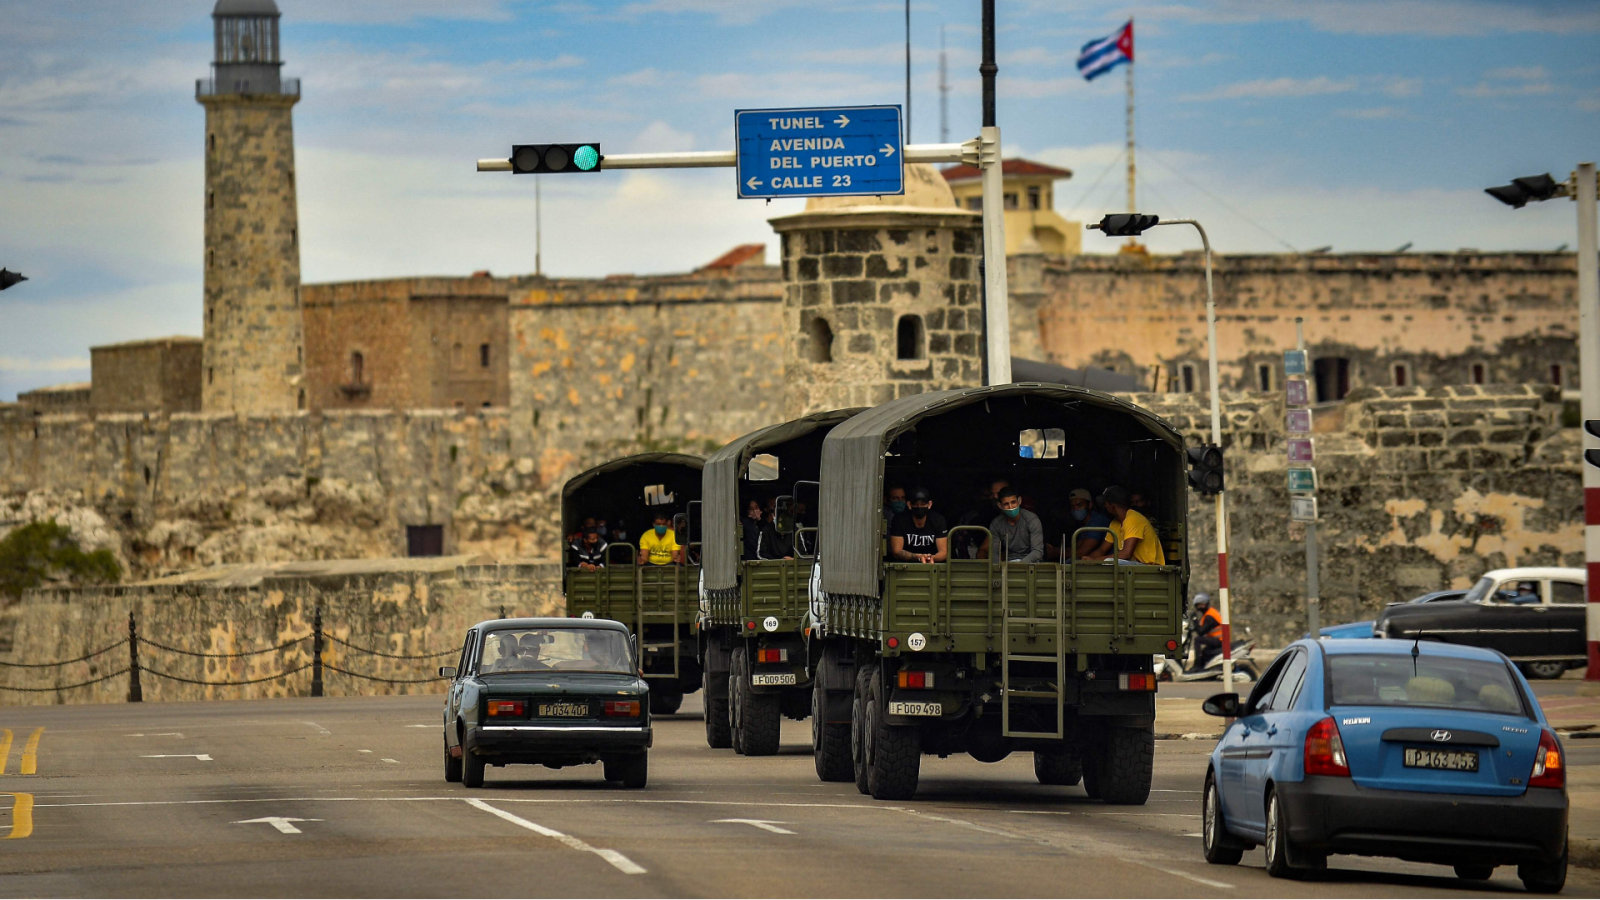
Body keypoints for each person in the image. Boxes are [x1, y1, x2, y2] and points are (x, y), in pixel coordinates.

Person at [1086, 485, 1166, 566]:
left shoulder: (1133, 519)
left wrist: (1095, 560)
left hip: (1149, 567)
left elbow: (1126, 554)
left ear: (1112, 505)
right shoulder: (1115, 523)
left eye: (1105, 504)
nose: (1105, 507)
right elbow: (1102, 549)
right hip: (1133, 566)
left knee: (1109, 561)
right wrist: (1085, 561)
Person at [985, 485, 1044, 563]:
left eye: (1013, 502)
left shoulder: (1031, 520)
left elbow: (1037, 552)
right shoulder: (996, 524)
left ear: (1019, 501)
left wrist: (1018, 567)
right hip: (1008, 564)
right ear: (1000, 505)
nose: (1011, 507)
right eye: (1006, 504)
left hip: (1031, 565)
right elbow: (994, 554)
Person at [890, 487, 948, 564]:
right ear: (909, 505)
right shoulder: (899, 520)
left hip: (933, 567)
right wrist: (917, 557)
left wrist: (929, 558)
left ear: (929, 504)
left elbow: (944, 552)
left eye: (923, 504)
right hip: (905, 567)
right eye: (916, 504)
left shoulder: (938, 520)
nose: (919, 507)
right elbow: (897, 551)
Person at [1066, 488, 1112, 561]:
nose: (1075, 509)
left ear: (1090, 505)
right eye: (1072, 506)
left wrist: (1055, 552)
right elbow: (1077, 548)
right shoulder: (1083, 523)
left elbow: (1081, 552)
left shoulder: (1097, 521)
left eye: (1079, 505)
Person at [1191, 593, 1223, 665]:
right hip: (1216, 640)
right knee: (1205, 652)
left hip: (1220, 640)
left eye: (1201, 604)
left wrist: (1194, 619)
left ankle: (1197, 665)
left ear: (1206, 604)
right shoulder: (1207, 613)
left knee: (1198, 639)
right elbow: (1203, 628)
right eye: (1198, 605)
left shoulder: (1210, 616)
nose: (1200, 606)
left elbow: (1201, 632)